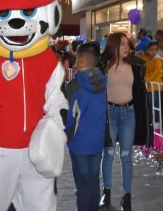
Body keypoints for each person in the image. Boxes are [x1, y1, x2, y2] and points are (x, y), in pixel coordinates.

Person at [99, 32, 152, 211]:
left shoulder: (135, 66)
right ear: (113, 46)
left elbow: (139, 93)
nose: (126, 47)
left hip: (128, 114)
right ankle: (106, 192)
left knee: (126, 156)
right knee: (108, 155)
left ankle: (126, 196)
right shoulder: (102, 66)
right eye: (121, 44)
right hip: (110, 114)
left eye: (126, 44)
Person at [65, 42, 107, 211]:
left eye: (76, 58)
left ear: (81, 61)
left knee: (82, 186)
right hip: (97, 142)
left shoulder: (74, 86)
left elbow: (70, 118)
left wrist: (66, 136)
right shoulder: (104, 81)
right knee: (94, 182)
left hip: (79, 143)